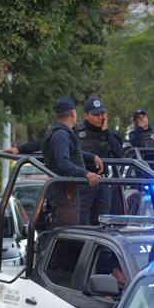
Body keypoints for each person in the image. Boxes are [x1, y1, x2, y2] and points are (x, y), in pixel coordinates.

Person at [42, 97, 101, 226]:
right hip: (64, 191)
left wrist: (91, 157)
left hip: (67, 190)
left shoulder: (59, 132)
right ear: (73, 113)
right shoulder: (61, 134)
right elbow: (63, 162)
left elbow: (70, 152)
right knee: (67, 232)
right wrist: (86, 173)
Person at [75, 97, 123, 222]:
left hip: (103, 181)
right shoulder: (76, 132)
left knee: (102, 221)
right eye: (95, 114)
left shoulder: (109, 134)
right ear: (86, 115)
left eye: (102, 113)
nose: (100, 117)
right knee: (82, 221)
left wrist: (106, 132)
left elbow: (119, 154)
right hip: (84, 181)